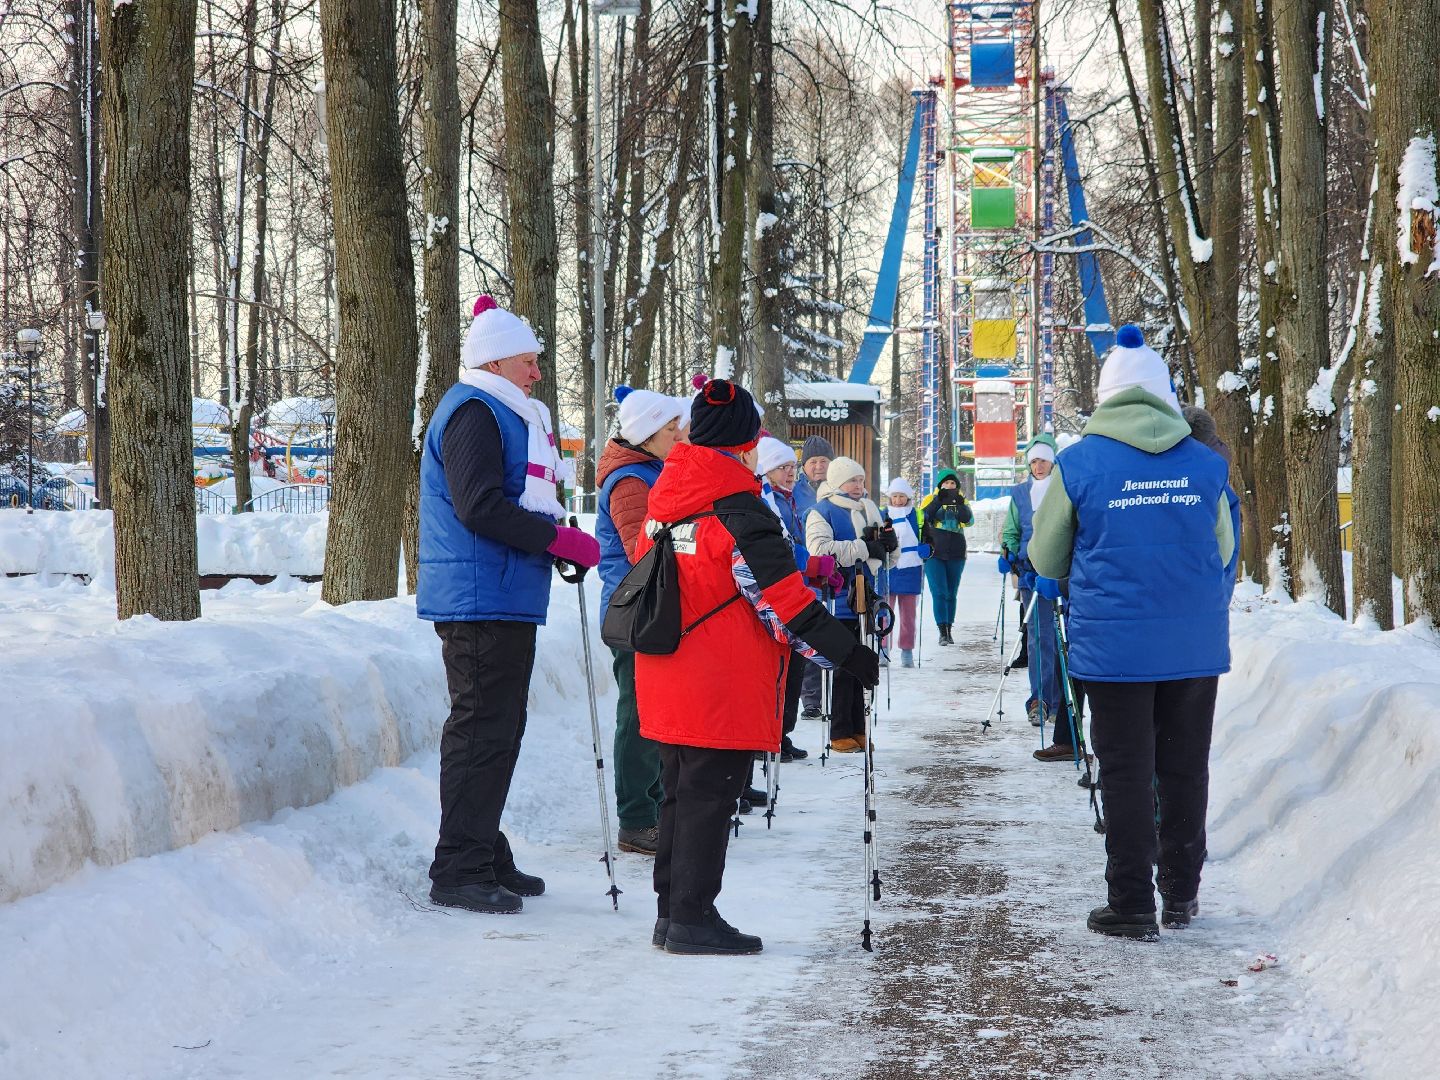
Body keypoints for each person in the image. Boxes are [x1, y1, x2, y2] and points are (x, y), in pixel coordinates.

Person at [634, 380, 878, 955]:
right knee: (708, 797)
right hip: (720, 676)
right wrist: (852, 658)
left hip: (668, 666)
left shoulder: (668, 497)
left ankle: (673, 912)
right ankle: (692, 917)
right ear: (746, 443)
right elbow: (785, 608)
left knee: (678, 791)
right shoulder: (741, 512)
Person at [1029, 324, 1235, 940]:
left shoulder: (1078, 464)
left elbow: (1045, 558)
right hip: (1194, 648)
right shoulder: (1204, 464)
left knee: (1124, 770)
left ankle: (1131, 902)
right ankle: (1181, 893)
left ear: (1109, 395)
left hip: (1113, 650)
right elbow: (1223, 548)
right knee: (1184, 768)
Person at [417, 295, 601, 915]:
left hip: (499, 591)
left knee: (496, 729)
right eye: (530, 361)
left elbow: (505, 504)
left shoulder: (498, 410)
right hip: (478, 597)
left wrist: (552, 545)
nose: (538, 373)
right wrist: (555, 538)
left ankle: (481, 848)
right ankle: (459, 868)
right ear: (497, 363)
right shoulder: (475, 412)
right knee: (481, 730)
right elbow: (479, 507)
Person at [596, 386, 687, 856]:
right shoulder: (632, 480)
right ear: (648, 432)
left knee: (655, 710)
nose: (679, 433)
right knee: (639, 712)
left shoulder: (652, 469)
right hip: (635, 611)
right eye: (672, 427)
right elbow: (642, 549)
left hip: (652, 606)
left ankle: (651, 805)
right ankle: (635, 817)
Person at [805, 456, 898, 753]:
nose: (859, 486)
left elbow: (886, 560)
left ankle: (859, 727)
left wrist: (889, 546)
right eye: (852, 481)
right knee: (844, 666)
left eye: (861, 479)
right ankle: (840, 730)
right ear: (837, 483)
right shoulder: (823, 511)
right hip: (839, 599)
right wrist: (862, 548)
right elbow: (819, 550)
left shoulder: (871, 510)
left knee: (864, 667)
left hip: (868, 599)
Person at [1000, 434, 1072, 758]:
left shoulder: (1063, 488)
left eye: (1043, 461)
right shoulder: (1020, 493)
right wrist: (1011, 555)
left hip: (1059, 573)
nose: (1038, 466)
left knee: (1060, 638)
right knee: (1037, 638)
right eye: (1033, 462)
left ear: (1052, 462)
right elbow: (1012, 529)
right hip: (1031, 572)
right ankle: (1039, 700)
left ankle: (1060, 700)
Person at [757, 435, 810, 762]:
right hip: (778, 594)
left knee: (794, 669)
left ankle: (782, 732)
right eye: (782, 467)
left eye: (792, 466)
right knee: (777, 670)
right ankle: (768, 734)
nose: (790, 473)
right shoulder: (767, 501)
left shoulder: (792, 498)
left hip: (799, 591)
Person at [793, 435, 834, 721]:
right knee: (807, 638)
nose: (818, 467)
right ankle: (811, 699)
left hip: (833, 575)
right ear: (804, 466)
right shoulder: (794, 492)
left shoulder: (841, 489)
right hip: (804, 575)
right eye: (813, 462)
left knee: (829, 637)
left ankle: (830, 695)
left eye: (823, 461)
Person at [918, 468, 973, 646]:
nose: (949, 486)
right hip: (935, 551)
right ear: (940, 485)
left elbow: (969, 520)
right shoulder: (931, 498)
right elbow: (923, 517)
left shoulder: (962, 499)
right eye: (946, 483)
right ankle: (942, 630)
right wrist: (937, 501)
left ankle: (949, 628)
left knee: (951, 593)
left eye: (952, 483)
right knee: (939, 592)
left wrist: (959, 503)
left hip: (956, 550)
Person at [880, 477, 928, 667]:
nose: (898, 500)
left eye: (901, 496)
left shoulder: (917, 515)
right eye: (894, 496)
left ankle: (907, 650)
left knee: (908, 616)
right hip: (888, 570)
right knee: (884, 614)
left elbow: (929, 537)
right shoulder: (883, 514)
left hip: (911, 569)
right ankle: (883, 649)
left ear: (907, 497)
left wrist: (928, 548)